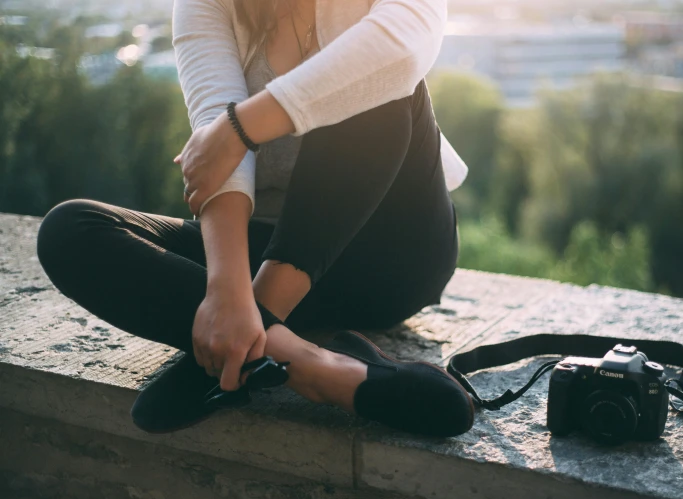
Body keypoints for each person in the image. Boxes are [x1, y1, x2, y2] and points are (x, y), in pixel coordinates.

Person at [35, 0, 474, 437]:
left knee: (373, 79)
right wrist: (227, 292)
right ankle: (308, 365)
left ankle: (243, 339)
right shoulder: (206, 5)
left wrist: (238, 128)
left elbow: (403, 45)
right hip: (271, 244)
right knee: (70, 230)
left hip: (394, 255)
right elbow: (216, 163)